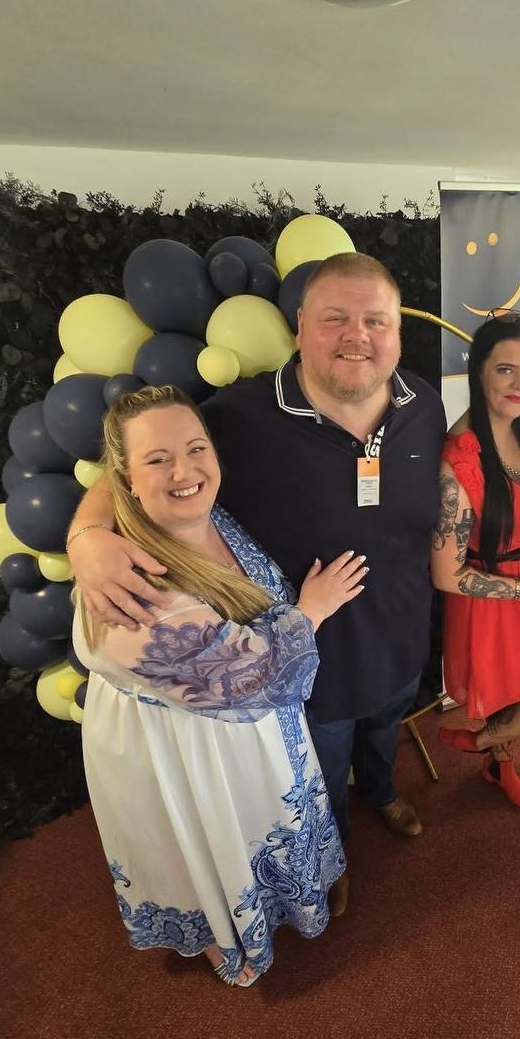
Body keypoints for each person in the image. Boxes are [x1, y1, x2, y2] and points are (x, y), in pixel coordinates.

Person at [67, 253, 447, 919]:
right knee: (320, 767)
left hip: (401, 634)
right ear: (300, 326)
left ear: (397, 331)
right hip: (310, 658)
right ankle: (333, 854)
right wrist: (86, 536)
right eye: (335, 318)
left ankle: (383, 791)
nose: (357, 336)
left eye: (375, 320)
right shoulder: (240, 415)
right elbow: (140, 459)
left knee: (384, 728)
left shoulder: (424, 403)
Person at [71, 386, 367, 986]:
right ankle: (227, 937)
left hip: (241, 732)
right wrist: (313, 608)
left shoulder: (202, 516)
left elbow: (118, 474)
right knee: (207, 841)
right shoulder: (136, 591)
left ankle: (291, 896)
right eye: (158, 460)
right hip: (184, 747)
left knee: (258, 819)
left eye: (196, 449)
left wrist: (84, 530)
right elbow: (260, 680)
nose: (184, 472)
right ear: (129, 479)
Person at [430, 312, 520, 810]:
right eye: (506, 370)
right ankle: (487, 744)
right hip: (496, 595)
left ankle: (496, 758)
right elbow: (446, 573)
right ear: (479, 372)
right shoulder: (460, 460)